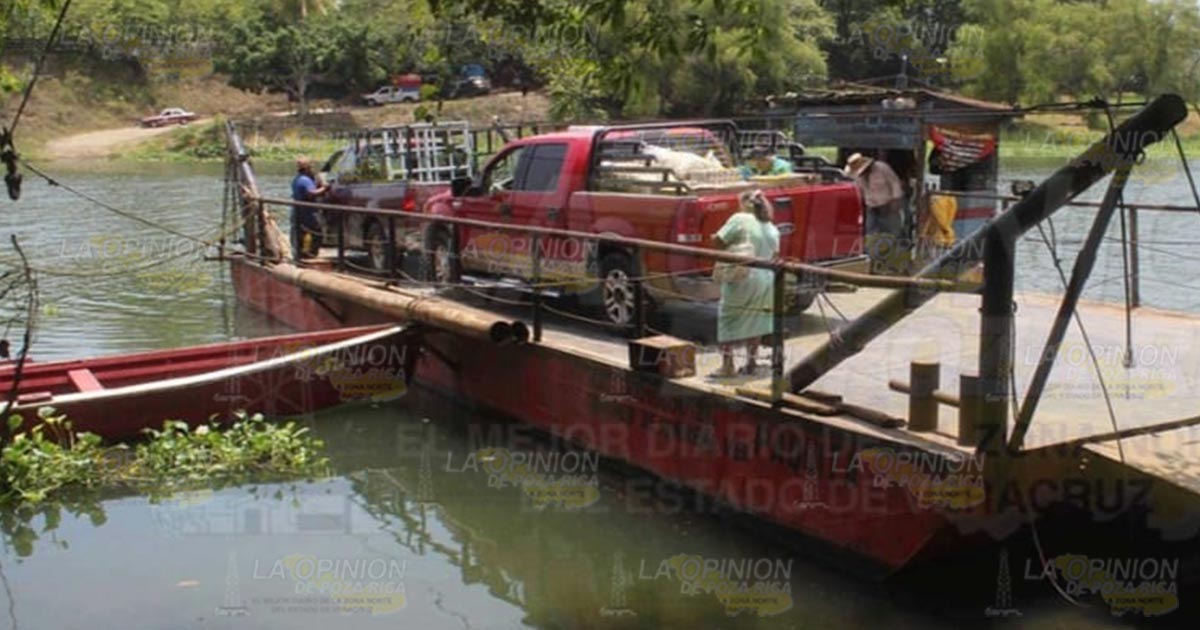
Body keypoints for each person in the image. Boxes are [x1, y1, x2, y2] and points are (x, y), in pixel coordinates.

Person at [710, 189, 781, 377]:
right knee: (757, 319)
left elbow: (718, 241)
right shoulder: (771, 227)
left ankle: (727, 365)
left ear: (743, 204)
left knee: (728, 317)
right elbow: (775, 254)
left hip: (742, 275)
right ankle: (751, 363)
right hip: (765, 277)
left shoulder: (739, 218)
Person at [845, 152, 906, 273]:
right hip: (871, 207)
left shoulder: (882, 168)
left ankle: (893, 264)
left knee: (893, 234)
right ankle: (873, 264)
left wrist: (895, 201)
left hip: (887, 205)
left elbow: (894, 183)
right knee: (870, 236)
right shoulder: (857, 176)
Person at [291, 156, 328, 260]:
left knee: (301, 233)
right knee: (317, 232)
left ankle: (300, 254)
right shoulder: (305, 180)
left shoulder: (297, 178)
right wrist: (324, 188)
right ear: (307, 168)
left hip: (299, 211)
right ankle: (311, 254)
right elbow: (311, 193)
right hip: (308, 211)